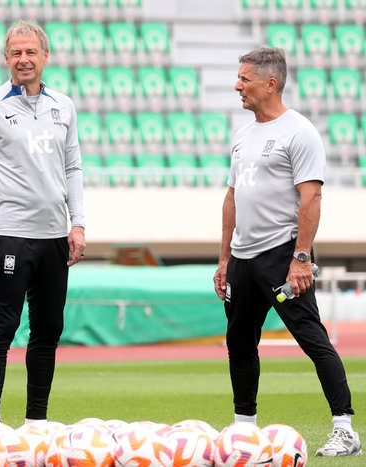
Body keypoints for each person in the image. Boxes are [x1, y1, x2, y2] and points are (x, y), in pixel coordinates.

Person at [213, 46, 362, 458]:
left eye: (244, 78)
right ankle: (244, 429)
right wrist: (225, 259)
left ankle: (345, 429)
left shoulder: (300, 132)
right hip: (242, 260)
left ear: (270, 83)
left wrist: (301, 257)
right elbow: (232, 198)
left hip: (282, 257)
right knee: (239, 343)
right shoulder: (243, 135)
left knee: (312, 338)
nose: (237, 85)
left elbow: (310, 198)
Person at [0, 20, 86, 424]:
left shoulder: (64, 105)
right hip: (10, 236)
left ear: (45, 56)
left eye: (31, 52)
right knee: (1, 330)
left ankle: (36, 421)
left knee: (48, 332)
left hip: (55, 236)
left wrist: (79, 223)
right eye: (16, 53)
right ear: (5, 59)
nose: (23, 59)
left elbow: (73, 167)